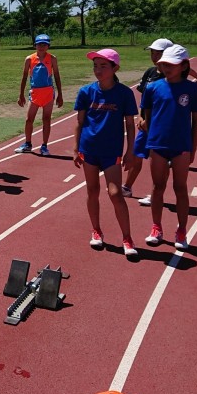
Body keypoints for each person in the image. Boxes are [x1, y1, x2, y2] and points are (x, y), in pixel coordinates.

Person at [73, 49, 140, 257]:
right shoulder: (86, 92)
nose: (98, 70)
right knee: (92, 191)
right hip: (89, 148)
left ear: (115, 68)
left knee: (115, 193)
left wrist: (130, 151)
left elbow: (130, 125)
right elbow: (80, 122)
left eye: (103, 66)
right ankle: (96, 230)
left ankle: (127, 238)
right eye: (95, 66)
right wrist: (76, 148)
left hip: (111, 151)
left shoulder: (124, 94)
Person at [139, 44, 197, 250]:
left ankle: (181, 230)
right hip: (158, 144)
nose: (166, 68)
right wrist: (149, 137)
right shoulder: (153, 88)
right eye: (163, 64)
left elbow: (196, 122)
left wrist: (193, 148)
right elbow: (146, 117)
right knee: (157, 186)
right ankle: (156, 227)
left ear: (184, 65)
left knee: (180, 187)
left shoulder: (193, 89)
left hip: (181, 145)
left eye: (171, 64)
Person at [125, 38, 197, 204]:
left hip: (166, 126)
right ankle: (127, 186)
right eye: (152, 52)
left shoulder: (176, 72)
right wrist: (142, 117)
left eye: (158, 53)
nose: (154, 56)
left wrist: (184, 92)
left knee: (162, 160)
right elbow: (144, 99)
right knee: (137, 155)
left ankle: (154, 193)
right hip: (148, 124)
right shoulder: (150, 73)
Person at [16, 34, 64, 155]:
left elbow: (57, 76)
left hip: (48, 92)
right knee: (29, 119)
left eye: (44, 44)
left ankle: (44, 146)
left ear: (48, 46)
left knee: (46, 119)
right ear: (35, 45)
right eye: (39, 44)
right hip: (35, 93)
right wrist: (21, 94)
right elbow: (24, 77)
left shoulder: (52, 58)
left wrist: (60, 94)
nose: (42, 47)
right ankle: (27, 143)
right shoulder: (29, 59)